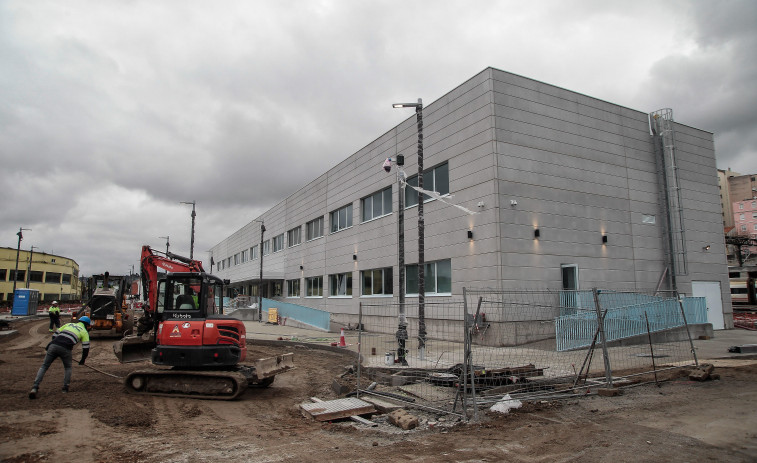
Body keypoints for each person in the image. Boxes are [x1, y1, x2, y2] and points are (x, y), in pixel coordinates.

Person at [28, 316, 91, 399]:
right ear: (86, 325)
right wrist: (82, 360)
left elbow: (54, 336)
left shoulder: (68, 324)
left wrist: (56, 347)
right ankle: (65, 388)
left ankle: (35, 387)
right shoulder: (84, 332)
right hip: (66, 349)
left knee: (44, 366)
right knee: (68, 367)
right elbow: (85, 348)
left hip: (53, 346)